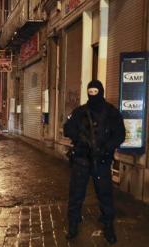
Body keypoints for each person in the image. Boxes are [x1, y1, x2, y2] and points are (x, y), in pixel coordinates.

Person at [63, 80, 125, 244]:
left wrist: (106, 147)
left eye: (95, 93)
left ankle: (108, 226)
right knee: (76, 195)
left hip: (102, 161)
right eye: (90, 93)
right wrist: (80, 140)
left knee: (105, 196)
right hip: (82, 160)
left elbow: (120, 134)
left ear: (101, 92)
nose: (93, 96)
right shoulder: (80, 112)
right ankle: (73, 225)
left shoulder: (111, 112)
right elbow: (67, 128)